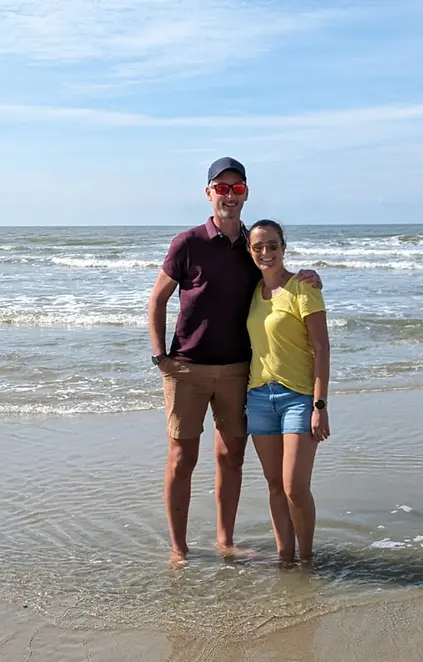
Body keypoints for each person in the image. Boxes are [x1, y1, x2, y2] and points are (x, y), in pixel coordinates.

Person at [147, 157, 321, 566]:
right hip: (186, 368)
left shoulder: (251, 245)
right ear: (208, 193)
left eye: (237, 188)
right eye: (221, 188)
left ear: (246, 194)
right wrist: (160, 356)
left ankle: (225, 540)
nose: (229, 196)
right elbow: (157, 300)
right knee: (181, 459)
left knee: (231, 457)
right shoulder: (187, 243)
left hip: (239, 371)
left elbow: (275, 276)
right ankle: (179, 549)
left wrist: (308, 276)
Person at [244, 219, 331, 565]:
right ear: (250, 251)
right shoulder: (253, 292)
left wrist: (320, 405)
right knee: (275, 485)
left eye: (273, 245)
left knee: (295, 486)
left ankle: (306, 560)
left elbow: (322, 348)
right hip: (258, 398)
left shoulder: (304, 288)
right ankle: (285, 559)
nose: (266, 252)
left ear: (284, 247)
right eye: (258, 247)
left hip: (298, 398)